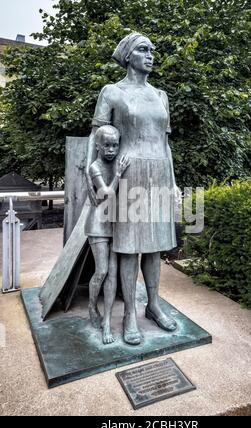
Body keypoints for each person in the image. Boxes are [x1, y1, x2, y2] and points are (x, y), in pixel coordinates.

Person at [86, 32, 178, 346]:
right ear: (128, 56)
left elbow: (165, 144)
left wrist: (174, 183)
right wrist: (90, 171)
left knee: (155, 246)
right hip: (129, 174)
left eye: (153, 50)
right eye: (143, 49)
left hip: (159, 173)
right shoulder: (112, 92)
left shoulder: (161, 95)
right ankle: (128, 317)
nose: (150, 55)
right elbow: (96, 134)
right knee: (128, 247)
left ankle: (153, 304)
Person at [85, 125, 130, 344]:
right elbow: (106, 193)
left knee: (112, 274)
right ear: (98, 146)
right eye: (107, 146)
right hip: (98, 225)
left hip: (114, 224)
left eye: (115, 145)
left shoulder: (117, 161)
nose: (111, 150)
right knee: (101, 271)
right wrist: (119, 175)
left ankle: (107, 322)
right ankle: (92, 307)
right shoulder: (95, 167)